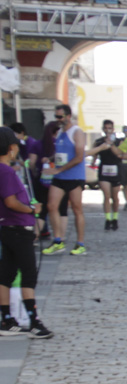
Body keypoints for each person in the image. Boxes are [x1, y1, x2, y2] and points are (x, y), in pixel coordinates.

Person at [0, 127, 53, 339]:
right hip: (19, 229)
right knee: (28, 275)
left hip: (7, 228)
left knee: (6, 275)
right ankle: (34, 322)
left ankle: (6, 319)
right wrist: (32, 209)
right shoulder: (7, 171)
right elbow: (11, 201)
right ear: (12, 148)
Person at [42, 104, 88, 256]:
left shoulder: (77, 132)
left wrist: (59, 169)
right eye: (56, 117)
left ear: (68, 116)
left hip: (74, 176)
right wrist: (49, 159)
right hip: (60, 176)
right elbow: (60, 154)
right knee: (51, 205)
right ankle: (58, 241)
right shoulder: (61, 132)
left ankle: (80, 243)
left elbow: (79, 157)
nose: (58, 120)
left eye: (60, 117)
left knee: (76, 209)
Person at [90, 120, 125, 231]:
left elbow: (120, 154)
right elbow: (94, 154)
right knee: (106, 195)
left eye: (110, 128)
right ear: (103, 129)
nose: (108, 130)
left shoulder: (119, 141)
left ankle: (115, 218)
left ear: (113, 129)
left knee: (115, 197)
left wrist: (110, 144)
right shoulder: (99, 141)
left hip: (116, 171)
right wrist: (93, 161)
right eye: (106, 128)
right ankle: (107, 219)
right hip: (104, 172)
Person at [119, 125, 127, 210]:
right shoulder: (120, 141)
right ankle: (126, 201)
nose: (126, 132)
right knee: (125, 185)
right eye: (124, 130)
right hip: (123, 165)